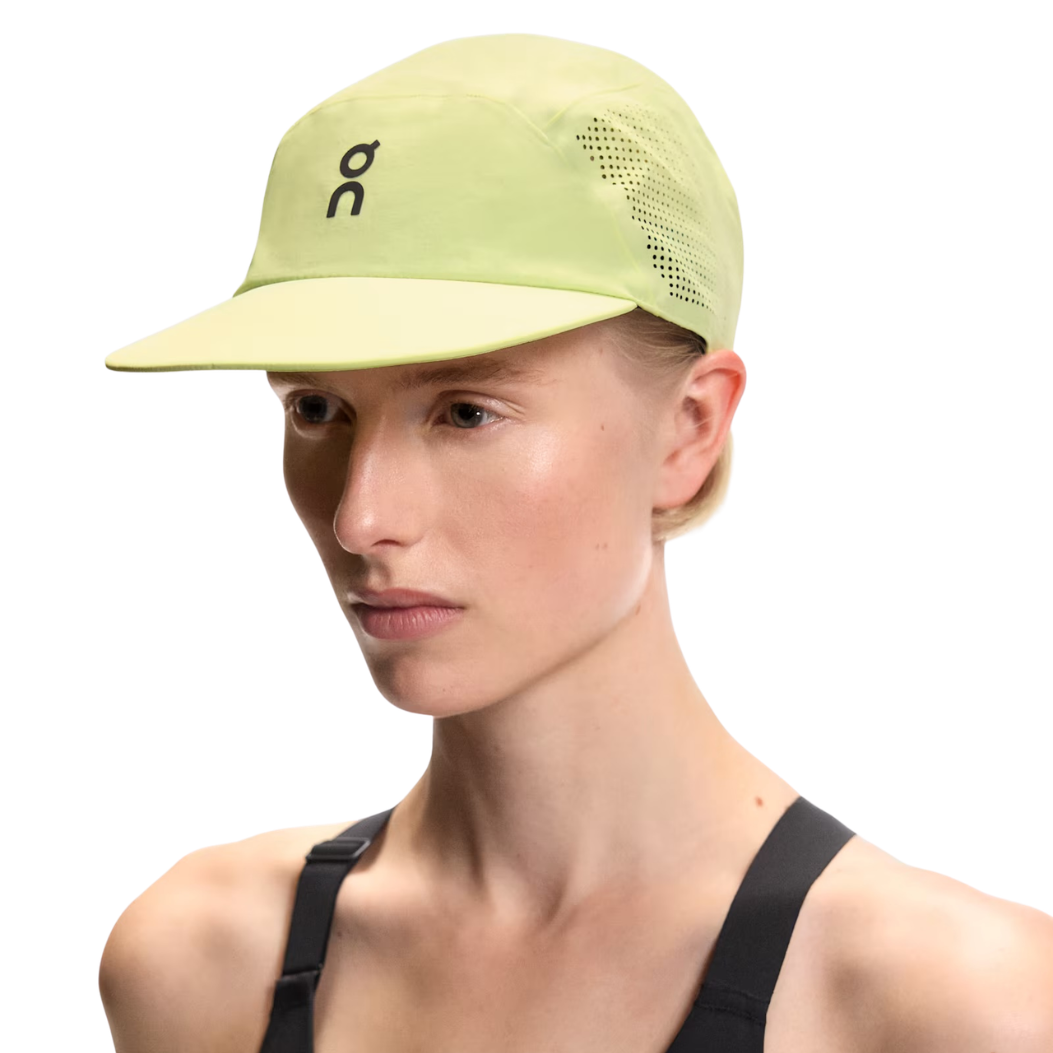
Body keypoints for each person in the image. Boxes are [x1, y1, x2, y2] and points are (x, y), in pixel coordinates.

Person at [97, 32, 1053, 1053]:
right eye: (317, 408)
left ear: (688, 429)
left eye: (465, 412)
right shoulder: (199, 965)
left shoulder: (958, 1007)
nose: (359, 518)